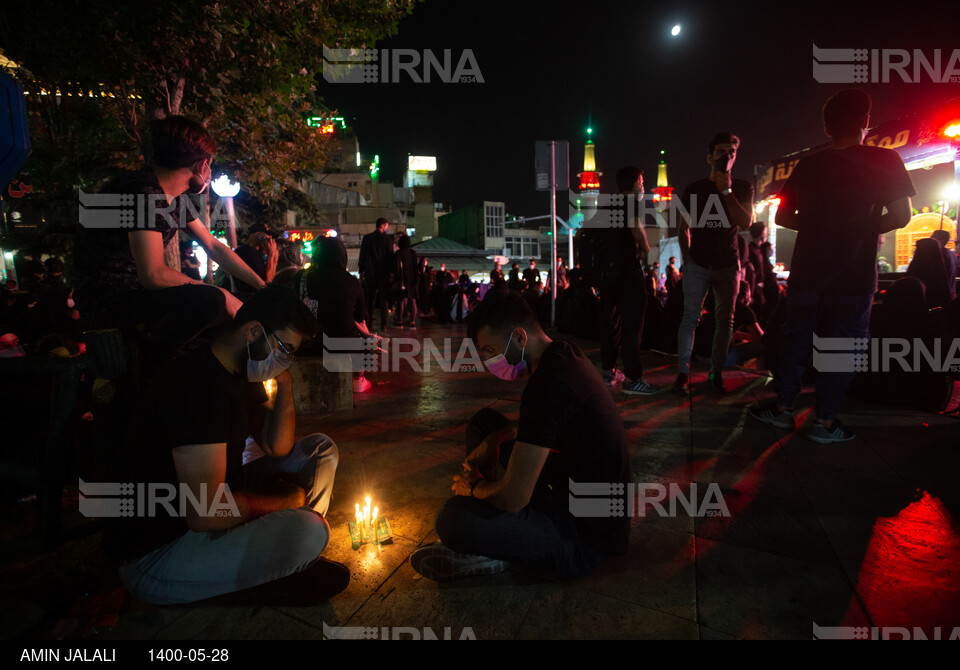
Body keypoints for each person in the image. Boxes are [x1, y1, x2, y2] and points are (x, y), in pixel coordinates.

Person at [104, 285, 348, 605]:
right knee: (310, 531)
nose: (286, 360)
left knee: (320, 449)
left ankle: (271, 561)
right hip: (158, 556)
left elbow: (277, 447)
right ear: (253, 331)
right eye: (284, 349)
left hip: (208, 511)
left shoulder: (240, 369)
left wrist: (284, 384)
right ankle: (272, 563)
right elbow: (205, 512)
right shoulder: (198, 387)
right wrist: (284, 501)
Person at [410, 290, 631, 581]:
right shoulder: (564, 353)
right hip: (569, 489)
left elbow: (515, 497)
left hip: (584, 537)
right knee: (484, 424)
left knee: (452, 519)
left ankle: (496, 549)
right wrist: (496, 438)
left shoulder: (547, 385)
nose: (489, 361)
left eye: (490, 350)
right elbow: (547, 424)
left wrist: (475, 487)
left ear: (519, 337)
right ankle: (501, 529)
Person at [750, 89, 914, 443]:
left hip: (808, 272)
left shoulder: (810, 165)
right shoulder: (885, 161)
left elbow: (783, 216)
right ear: (865, 121)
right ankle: (824, 422)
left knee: (796, 344)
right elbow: (901, 215)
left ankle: (782, 410)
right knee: (842, 348)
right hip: (852, 275)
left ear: (827, 127)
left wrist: (818, 227)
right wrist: (860, 229)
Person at [73, 116, 268, 363]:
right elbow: (153, 275)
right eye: (209, 165)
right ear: (202, 165)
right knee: (213, 301)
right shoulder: (144, 193)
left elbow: (213, 246)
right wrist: (220, 292)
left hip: (137, 297)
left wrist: (262, 286)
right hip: (110, 304)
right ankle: (151, 369)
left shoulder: (172, 198)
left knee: (245, 304)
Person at [674, 132, 754, 394]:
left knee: (725, 321)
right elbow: (683, 227)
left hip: (728, 264)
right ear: (709, 157)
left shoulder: (742, 188)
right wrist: (687, 258)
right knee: (690, 318)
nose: (727, 156)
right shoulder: (695, 189)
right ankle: (683, 373)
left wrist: (726, 190)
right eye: (721, 152)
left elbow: (745, 223)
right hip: (698, 263)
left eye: (732, 152)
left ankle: (716, 372)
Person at [596, 166, 659, 394]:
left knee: (611, 324)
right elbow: (636, 229)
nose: (643, 186)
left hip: (608, 277)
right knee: (632, 327)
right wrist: (645, 247)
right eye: (642, 182)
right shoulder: (631, 203)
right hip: (627, 275)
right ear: (636, 183)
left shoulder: (606, 207)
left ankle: (610, 372)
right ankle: (634, 378)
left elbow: (584, 234)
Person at [358, 218, 394, 331]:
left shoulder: (367, 238)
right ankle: (384, 324)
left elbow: (362, 255)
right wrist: (391, 272)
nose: (387, 228)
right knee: (384, 299)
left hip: (370, 272)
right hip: (383, 274)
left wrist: (361, 270)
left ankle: (369, 324)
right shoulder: (388, 240)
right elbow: (390, 257)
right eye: (387, 226)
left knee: (370, 299)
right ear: (382, 226)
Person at [233, 224, 279, 293]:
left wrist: (274, 258)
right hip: (247, 297)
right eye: (267, 238)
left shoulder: (258, 253)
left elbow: (271, 280)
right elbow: (266, 282)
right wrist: (271, 255)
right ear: (257, 235)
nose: (270, 241)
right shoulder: (245, 252)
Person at [395, 234, 419, 328]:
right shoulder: (412, 253)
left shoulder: (398, 253)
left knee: (400, 301)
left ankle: (399, 320)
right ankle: (412, 321)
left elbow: (397, 268)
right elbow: (415, 267)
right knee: (412, 300)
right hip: (412, 280)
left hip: (402, 280)